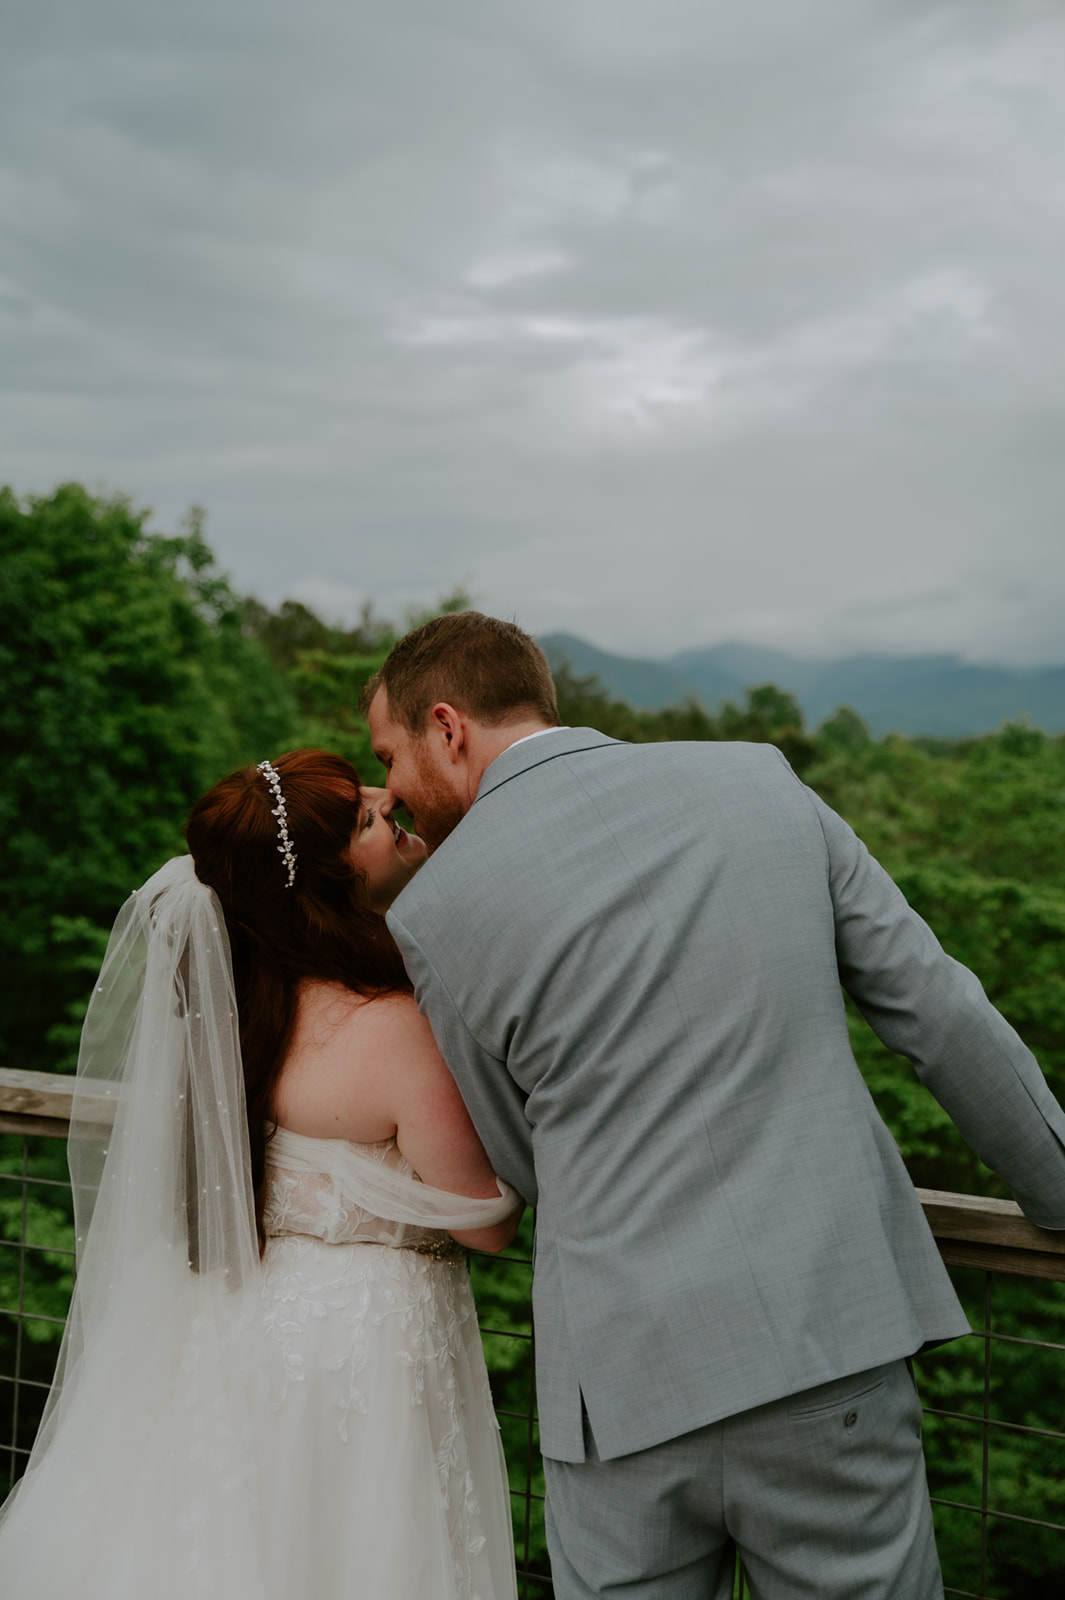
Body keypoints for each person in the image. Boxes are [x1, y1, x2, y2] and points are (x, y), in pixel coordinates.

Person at [363, 611, 1065, 1600]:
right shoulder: (760, 781)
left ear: (448, 726)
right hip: (824, 1342)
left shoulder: (432, 913)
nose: (389, 786)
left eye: (388, 753)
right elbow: (940, 1014)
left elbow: (524, 1159)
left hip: (618, 1388)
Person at [0, 748, 523, 1600]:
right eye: (362, 816)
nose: (387, 796)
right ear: (330, 879)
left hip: (236, 1323)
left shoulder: (240, 1009)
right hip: (362, 1351)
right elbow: (487, 1222)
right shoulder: (392, 1025)